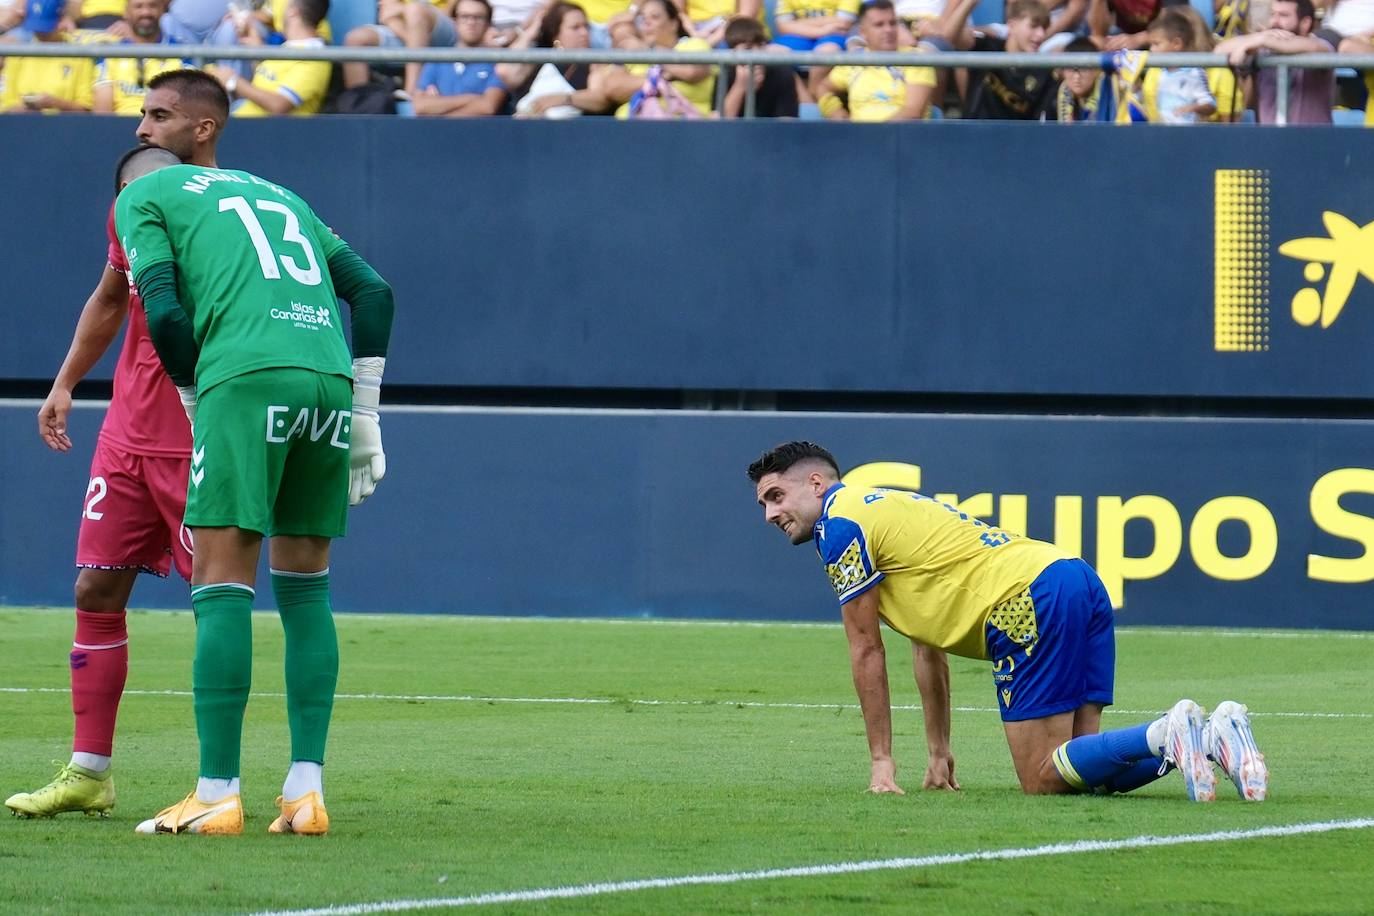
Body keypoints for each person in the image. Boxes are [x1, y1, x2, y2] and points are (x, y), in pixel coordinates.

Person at [113, 145, 395, 837]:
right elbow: (375, 292)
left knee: (221, 579)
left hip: (244, 376)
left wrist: (191, 397)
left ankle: (216, 792)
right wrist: (365, 410)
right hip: (327, 381)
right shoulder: (279, 193)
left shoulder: (141, 195)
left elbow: (167, 316)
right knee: (306, 587)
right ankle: (306, 793)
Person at [748, 441, 1270, 801]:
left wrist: (882, 765)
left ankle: (1167, 730)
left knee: (1041, 780)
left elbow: (865, 649)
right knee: (1083, 772)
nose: (770, 515)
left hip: (1024, 600)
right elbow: (924, 641)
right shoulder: (885, 503)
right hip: (1074, 577)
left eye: (776, 496)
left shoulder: (840, 527)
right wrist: (938, 754)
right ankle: (1209, 736)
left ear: (815, 483)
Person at [4, 68, 227, 821]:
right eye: (141, 114)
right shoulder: (131, 206)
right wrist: (66, 382)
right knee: (94, 590)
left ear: (203, 128)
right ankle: (89, 773)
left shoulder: (239, 211)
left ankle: (218, 784)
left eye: (159, 116)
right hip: (126, 439)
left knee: (218, 605)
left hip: (202, 437)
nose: (140, 128)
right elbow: (110, 296)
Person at [1215, 0, 1335, 124]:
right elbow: (1219, 50)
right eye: (1273, 14)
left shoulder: (1318, 45)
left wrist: (1262, 39)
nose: (1275, 21)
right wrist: (1260, 38)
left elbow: (1317, 47)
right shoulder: (1263, 45)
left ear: (1305, 23)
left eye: (1283, 15)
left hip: (1313, 140)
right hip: (1269, 139)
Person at [937, 0, 1059, 119]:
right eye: (1033, 26)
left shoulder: (1044, 72)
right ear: (1012, 25)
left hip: (1014, 138)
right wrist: (969, 3)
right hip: (975, 135)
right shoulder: (987, 47)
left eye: (1044, 28)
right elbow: (949, 38)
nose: (1041, 35)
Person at [816, 0, 935, 120]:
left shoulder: (916, 59)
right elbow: (823, 87)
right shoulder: (855, 60)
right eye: (879, 25)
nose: (888, 30)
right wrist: (838, 115)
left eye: (893, 23)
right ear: (863, 32)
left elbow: (912, 112)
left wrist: (878, 135)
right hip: (858, 136)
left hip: (902, 136)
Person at [210, 0, 333, 116]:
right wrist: (257, 53)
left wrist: (233, 81)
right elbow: (266, 82)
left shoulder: (314, 58)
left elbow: (279, 105)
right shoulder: (289, 47)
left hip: (263, 132)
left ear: (293, 11)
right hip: (242, 116)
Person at [594, 0, 715, 117]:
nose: (647, 23)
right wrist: (660, 79)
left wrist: (649, 53)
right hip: (630, 127)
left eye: (655, 17)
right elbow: (612, 88)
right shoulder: (637, 53)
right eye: (642, 18)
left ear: (674, 23)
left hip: (683, 128)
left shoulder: (693, 44)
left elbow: (692, 71)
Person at [500, 2, 615, 117]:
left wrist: (560, 99)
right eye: (575, 28)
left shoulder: (594, 63)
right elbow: (505, 72)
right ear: (556, 33)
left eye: (586, 27)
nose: (584, 33)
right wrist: (532, 30)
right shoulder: (538, 58)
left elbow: (599, 99)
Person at [93, 0, 192, 115]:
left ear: (162, 10)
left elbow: (188, 107)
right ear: (126, 12)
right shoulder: (111, 54)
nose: (146, 12)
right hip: (120, 127)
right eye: (138, 7)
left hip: (166, 128)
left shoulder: (182, 52)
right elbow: (103, 113)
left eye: (153, 6)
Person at [412, 0, 508, 117]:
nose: (471, 22)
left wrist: (439, 109)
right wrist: (473, 98)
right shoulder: (437, 58)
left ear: (488, 24)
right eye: (464, 17)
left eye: (478, 17)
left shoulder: (498, 63)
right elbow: (419, 106)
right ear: (454, 21)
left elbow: (487, 107)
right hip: (435, 134)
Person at [341, 0, 458, 96]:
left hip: (446, 30)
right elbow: (387, 16)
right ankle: (360, 107)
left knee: (415, 10)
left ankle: (411, 93)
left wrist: (404, 9)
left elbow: (457, 13)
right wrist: (412, 41)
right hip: (404, 32)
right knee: (356, 39)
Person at [0, 0, 95, 112]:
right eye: (36, 28)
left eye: (45, 28)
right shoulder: (17, 55)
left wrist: (56, 103)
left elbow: (86, 108)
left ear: (62, 20)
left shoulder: (79, 56)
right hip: (21, 126)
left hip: (63, 126)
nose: (40, 33)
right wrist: (22, 109)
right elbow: (4, 104)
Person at [719, 15, 799, 118]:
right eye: (748, 48)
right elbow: (718, 125)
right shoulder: (725, 75)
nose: (757, 54)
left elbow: (787, 124)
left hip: (772, 133)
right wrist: (740, 86)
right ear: (732, 51)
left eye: (761, 45)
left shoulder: (782, 74)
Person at [1143, 9, 1214, 122]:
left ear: (1176, 44)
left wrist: (1193, 108)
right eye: (1150, 45)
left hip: (1188, 135)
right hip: (1163, 134)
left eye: (1156, 44)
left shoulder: (1194, 72)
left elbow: (1210, 105)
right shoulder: (1160, 72)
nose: (1151, 49)